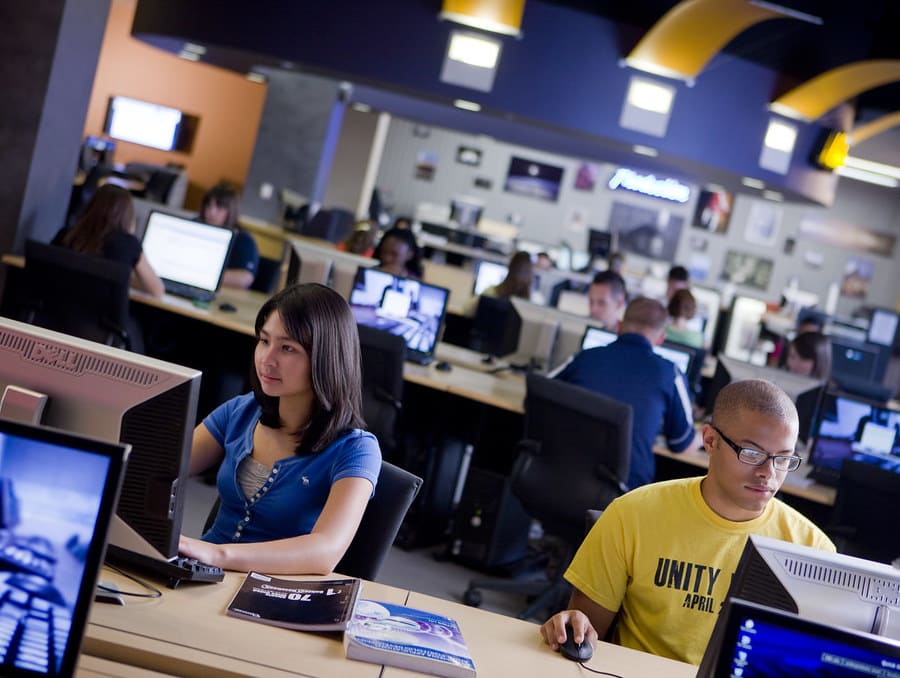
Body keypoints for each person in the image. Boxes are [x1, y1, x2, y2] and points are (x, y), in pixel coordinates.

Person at [541, 379, 836, 666]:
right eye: (752, 453)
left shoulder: (813, 549)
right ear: (710, 440)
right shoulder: (632, 514)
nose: (768, 473)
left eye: (783, 458)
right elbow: (583, 636)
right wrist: (572, 624)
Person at [178, 283, 382, 574]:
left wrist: (218, 554)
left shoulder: (357, 449)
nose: (266, 359)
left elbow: (325, 551)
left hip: (274, 591)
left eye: (287, 348)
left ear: (325, 357)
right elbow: (163, 466)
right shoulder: (243, 411)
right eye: (264, 341)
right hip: (200, 574)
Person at [556, 297, 699, 488]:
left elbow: (541, 392)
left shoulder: (585, 357)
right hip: (623, 495)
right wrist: (706, 433)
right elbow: (683, 444)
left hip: (562, 476)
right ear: (661, 338)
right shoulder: (670, 373)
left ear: (619, 326)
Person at [52, 183, 164, 297]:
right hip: (98, 314)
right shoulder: (128, 245)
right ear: (127, 215)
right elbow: (157, 291)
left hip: (55, 311)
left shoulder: (66, 235)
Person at [200, 182, 259, 290]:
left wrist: (202, 275)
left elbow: (246, 278)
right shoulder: (195, 226)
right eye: (208, 205)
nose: (211, 212)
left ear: (231, 211)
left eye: (219, 207)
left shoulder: (243, 239)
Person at [463, 251, 544, 315]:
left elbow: (466, 310)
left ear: (509, 268)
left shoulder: (491, 291)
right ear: (531, 272)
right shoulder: (536, 301)